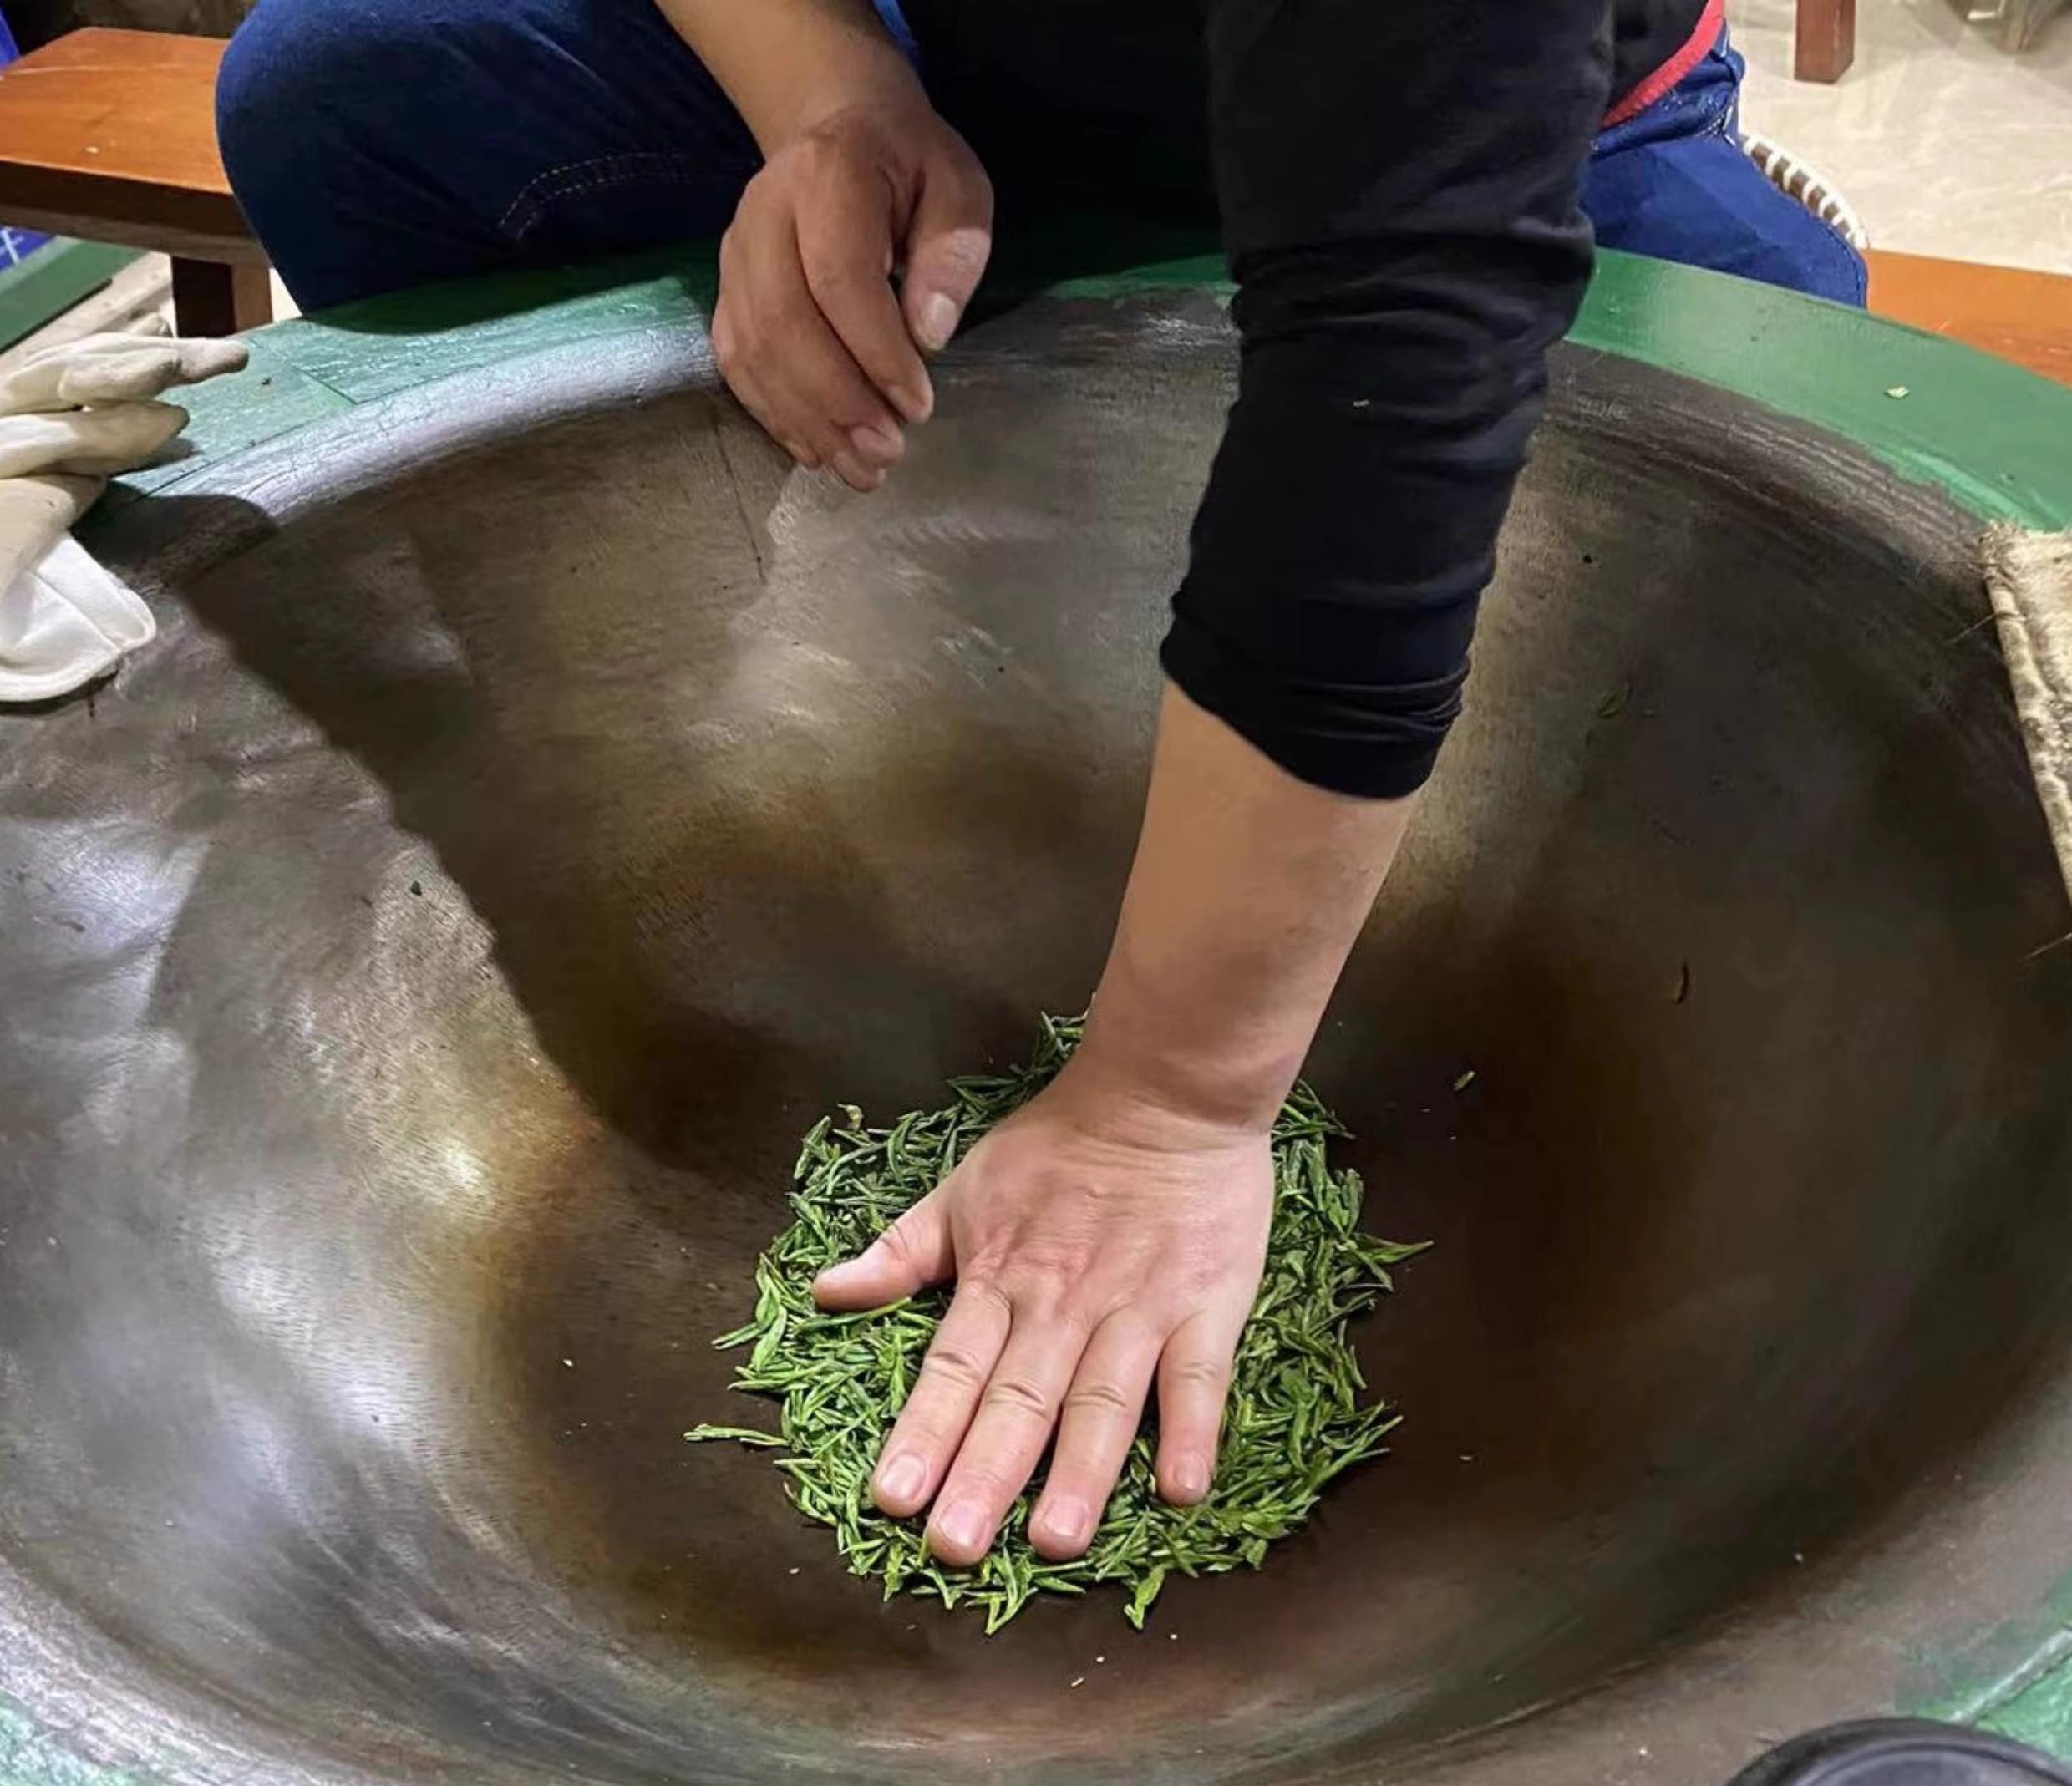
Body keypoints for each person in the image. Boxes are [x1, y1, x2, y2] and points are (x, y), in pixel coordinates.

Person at [212, 0, 1858, 1575]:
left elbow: (1402, 361)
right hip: (995, 85)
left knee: (1772, 564)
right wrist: (827, 97)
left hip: (1507, 151)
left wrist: (1169, 1105)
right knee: (350, 89)